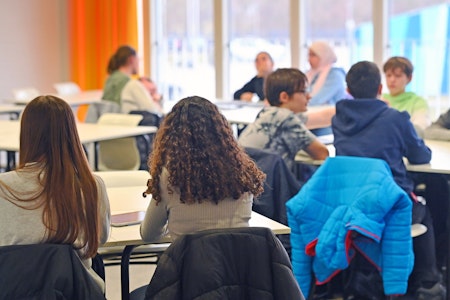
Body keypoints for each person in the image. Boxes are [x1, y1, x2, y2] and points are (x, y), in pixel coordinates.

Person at [332, 61, 445, 299]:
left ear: (348, 89)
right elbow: (421, 155)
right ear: (380, 86)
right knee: (426, 208)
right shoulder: (395, 118)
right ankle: (428, 282)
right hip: (391, 204)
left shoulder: (339, 118)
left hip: (351, 204)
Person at [0, 95, 111, 292]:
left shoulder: (3, 187)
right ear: (71, 134)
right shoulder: (90, 185)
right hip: (74, 292)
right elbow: (100, 238)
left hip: (15, 293)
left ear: (26, 135)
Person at [140, 96, 266, 242]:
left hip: (189, 263)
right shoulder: (243, 172)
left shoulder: (170, 176)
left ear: (171, 136)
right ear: (222, 131)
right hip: (237, 263)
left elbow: (149, 234)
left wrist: (171, 227)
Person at [238, 68, 329, 171]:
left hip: (249, 182)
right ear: (284, 97)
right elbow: (322, 153)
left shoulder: (266, 113)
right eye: (303, 91)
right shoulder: (287, 119)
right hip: (270, 184)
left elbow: (316, 118)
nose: (309, 96)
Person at [102, 45, 163, 115]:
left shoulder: (110, 78)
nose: (139, 64)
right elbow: (152, 110)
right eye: (138, 60)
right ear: (131, 59)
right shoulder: (130, 83)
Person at [382, 56, 431, 135]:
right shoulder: (379, 99)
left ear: (409, 78)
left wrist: (391, 115)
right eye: (388, 75)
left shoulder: (418, 102)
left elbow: (419, 131)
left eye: (398, 76)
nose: (392, 80)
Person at [306, 41, 347, 107]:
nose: (309, 59)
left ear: (324, 55)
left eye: (313, 55)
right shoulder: (309, 74)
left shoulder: (335, 75)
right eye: (309, 55)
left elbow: (317, 100)